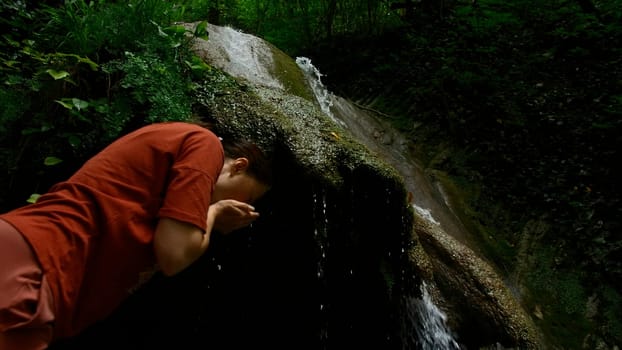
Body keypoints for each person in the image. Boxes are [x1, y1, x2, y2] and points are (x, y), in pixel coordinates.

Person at [0, 121, 272, 349]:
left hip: (39, 281)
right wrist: (213, 213)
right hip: (35, 265)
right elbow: (174, 254)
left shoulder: (169, 200)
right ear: (238, 166)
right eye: (248, 197)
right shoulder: (205, 144)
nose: (245, 209)